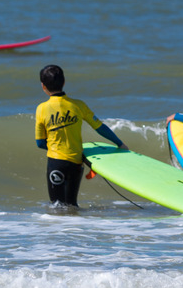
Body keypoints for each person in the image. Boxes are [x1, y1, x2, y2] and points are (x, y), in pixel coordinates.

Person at [35, 64, 128, 206]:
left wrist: (57, 148)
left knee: (57, 207)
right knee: (72, 205)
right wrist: (119, 143)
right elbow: (100, 127)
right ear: (64, 82)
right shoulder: (79, 105)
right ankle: (77, 228)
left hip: (56, 162)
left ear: (43, 86)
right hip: (76, 162)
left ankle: (59, 229)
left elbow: (40, 143)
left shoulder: (41, 109)